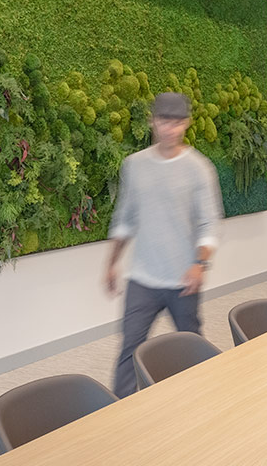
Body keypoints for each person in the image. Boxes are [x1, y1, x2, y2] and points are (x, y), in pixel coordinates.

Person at [103, 91, 223, 396]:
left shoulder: (199, 168)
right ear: (152, 122)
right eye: (162, 120)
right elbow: (125, 218)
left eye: (175, 122)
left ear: (186, 124)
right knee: (129, 350)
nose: (168, 128)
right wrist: (112, 263)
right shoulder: (134, 165)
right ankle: (120, 414)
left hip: (183, 278)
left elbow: (210, 224)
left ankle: (201, 404)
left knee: (192, 347)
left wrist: (200, 265)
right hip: (142, 278)